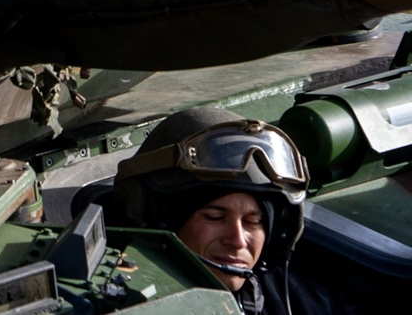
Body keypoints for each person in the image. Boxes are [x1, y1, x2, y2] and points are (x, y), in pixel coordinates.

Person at [104, 108, 341, 315]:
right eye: (215, 217)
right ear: (162, 222)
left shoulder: (294, 300)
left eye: (252, 222)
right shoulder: (119, 303)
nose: (237, 241)